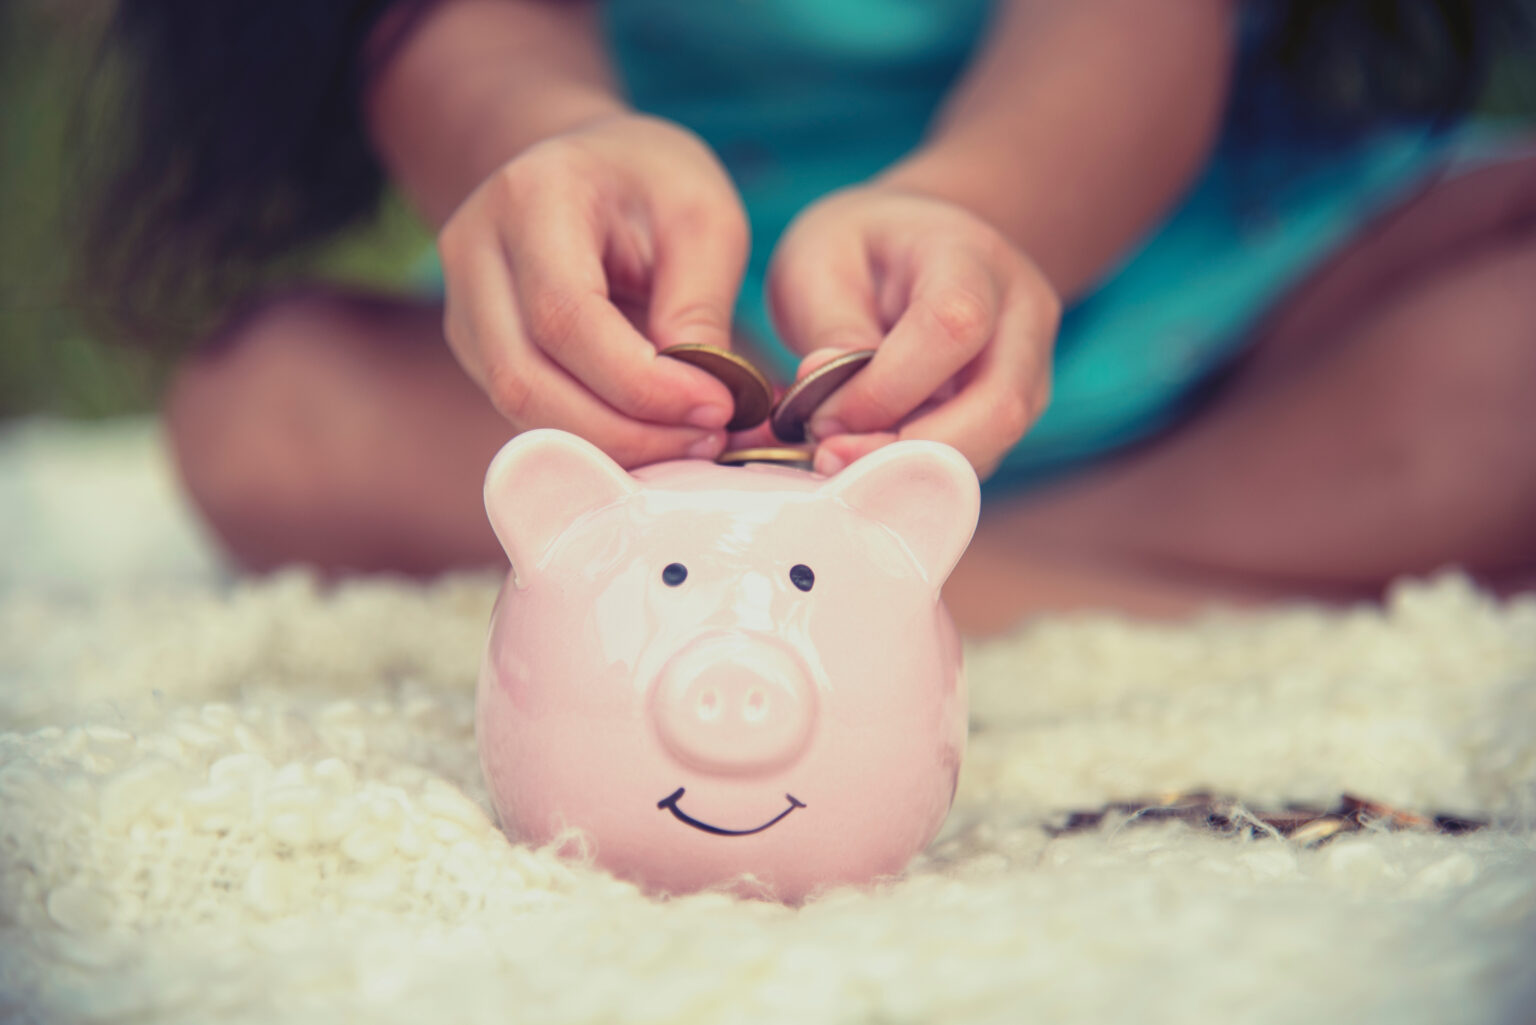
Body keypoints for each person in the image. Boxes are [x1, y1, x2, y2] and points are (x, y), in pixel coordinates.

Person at [88, 0, 1536, 632]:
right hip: (662, 363)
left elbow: (1126, 34)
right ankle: (1028, 581)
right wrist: (544, 141)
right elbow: (459, 27)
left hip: (1185, 274)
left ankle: (909, 581)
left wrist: (989, 214)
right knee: (266, 413)